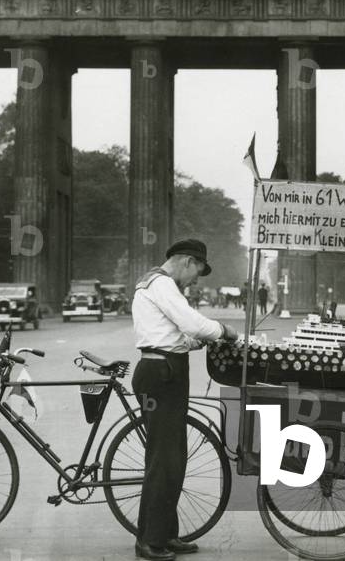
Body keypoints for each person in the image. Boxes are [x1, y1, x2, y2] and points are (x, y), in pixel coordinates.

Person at [130, 238, 238, 560]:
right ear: (188, 261)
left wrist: (193, 343)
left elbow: (169, 335)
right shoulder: (162, 284)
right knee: (165, 461)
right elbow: (191, 323)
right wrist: (224, 331)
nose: (194, 282)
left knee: (170, 458)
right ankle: (149, 542)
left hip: (164, 369)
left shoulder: (154, 284)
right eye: (197, 273)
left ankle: (164, 534)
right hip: (161, 374)